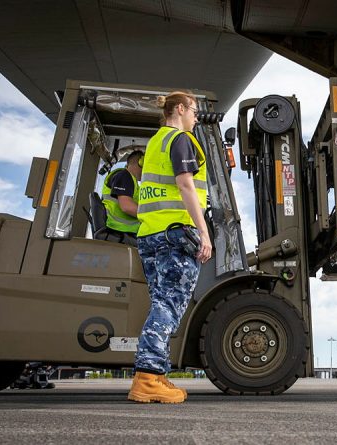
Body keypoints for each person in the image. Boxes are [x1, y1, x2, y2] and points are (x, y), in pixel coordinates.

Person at [127, 91, 213, 404]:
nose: (196, 117)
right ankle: (148, 377)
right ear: (179, 108)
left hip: (150, 233)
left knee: (161, 302)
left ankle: (156, 375)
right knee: (170, 305)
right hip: (175, 234)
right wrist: (204, 232)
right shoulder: (180, 139)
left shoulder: (155, 142)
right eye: (194, 110)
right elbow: (185, 185)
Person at [100, 150, 143, 243]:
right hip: (119, 231)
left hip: (125, 231)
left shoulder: (132, 182)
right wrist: (151, 216)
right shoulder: (124, 176)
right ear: (141, 162)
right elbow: (126, 206)